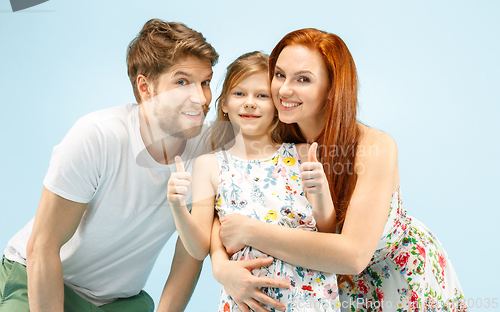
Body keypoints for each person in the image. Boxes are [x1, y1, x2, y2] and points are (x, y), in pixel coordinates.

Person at [211, 29, 468, 312]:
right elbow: (221, 200)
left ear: (332, 88)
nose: (283, 89)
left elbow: (353, 256)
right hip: (327, 290)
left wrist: (250, 231)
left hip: (400, 284)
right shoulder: (275, 139)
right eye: (280, 75)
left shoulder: (374, 146)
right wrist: (221, 268)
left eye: (303, 79)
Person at [0, 19, 218, 312]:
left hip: (118, 302)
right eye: (182, 82)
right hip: (37, 279)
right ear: (146, 87)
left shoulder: (210, 149)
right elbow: (43, 247)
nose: (201, 98)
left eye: (205, 82)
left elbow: (190, 255)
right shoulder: (98, 136)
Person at [167, 51, 341, 312]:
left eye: (262, 96)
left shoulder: (304, 154)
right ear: (224, 103)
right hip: (246, 304)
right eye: (239, 94)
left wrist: (322, 193)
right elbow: (199, 248)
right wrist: (178, 208)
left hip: (312, 301)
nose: (250, 103)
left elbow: (329, 233)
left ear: (277, 105)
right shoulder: (210, 165)